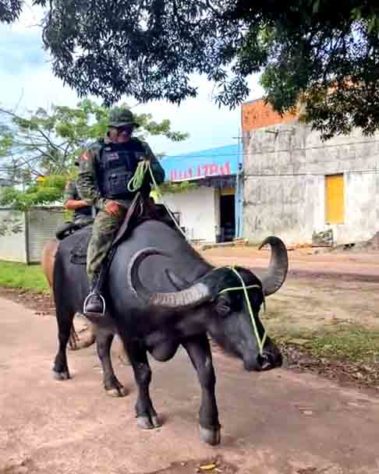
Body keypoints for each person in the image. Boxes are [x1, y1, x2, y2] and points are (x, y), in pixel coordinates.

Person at [77, 107, 165, 316]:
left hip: (143, 203)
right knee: (100, 240)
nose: (126, 133)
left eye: (129, 129)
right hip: (114, 205)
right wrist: (102, 203)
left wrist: (150, 168)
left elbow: (160, 175)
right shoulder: (95, 150)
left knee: (172, 230)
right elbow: (84, 182)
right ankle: (95, 291)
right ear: (111, 129)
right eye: (122, 129)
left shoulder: (141, 147)